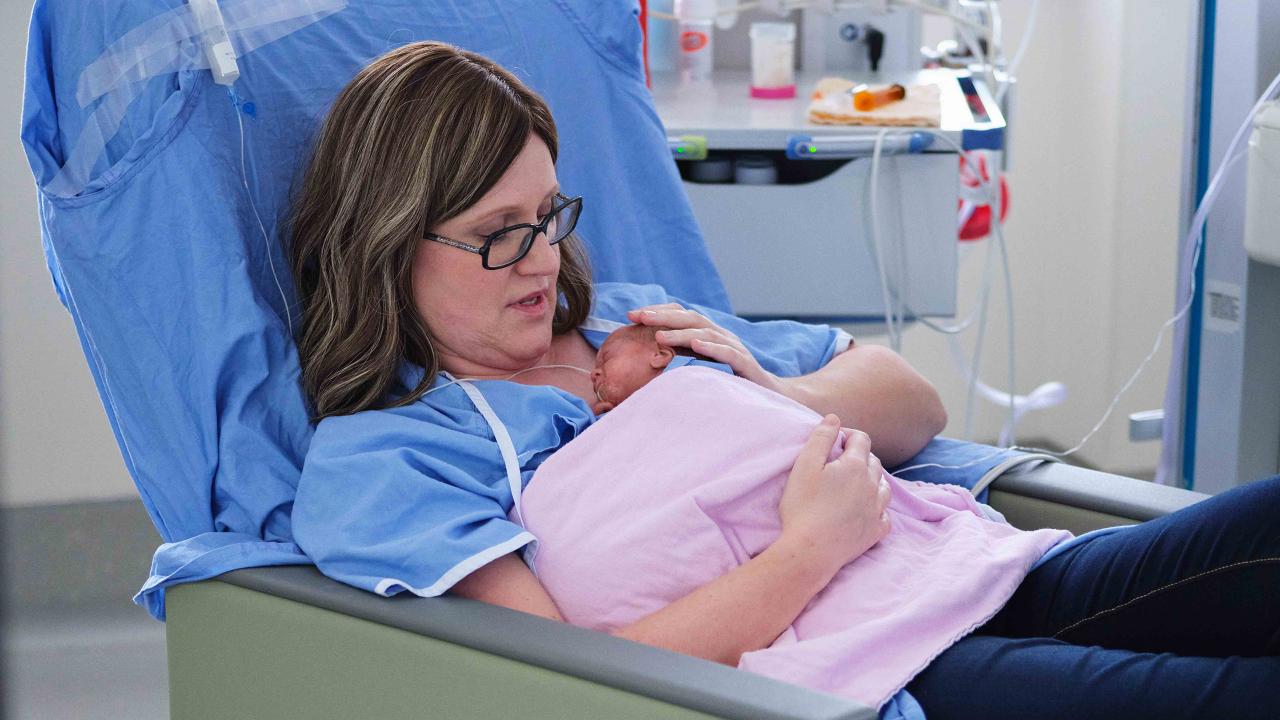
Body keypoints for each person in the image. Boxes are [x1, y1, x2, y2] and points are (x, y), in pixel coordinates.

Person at [288, 41, 1280, 719]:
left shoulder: (631, 320)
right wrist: (811, 546)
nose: (542, 259)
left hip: (957, 567)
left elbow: (907, 402)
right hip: (860, 666)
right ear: (388, 244)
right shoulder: (389, 454)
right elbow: (565, 677)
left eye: (548, 215)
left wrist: (768, 389)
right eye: (496, 236)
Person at [589, 323, 724, 413]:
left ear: (659, 355)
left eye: (607, 358)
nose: (593, 374)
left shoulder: (701, 379)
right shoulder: (618, 416)